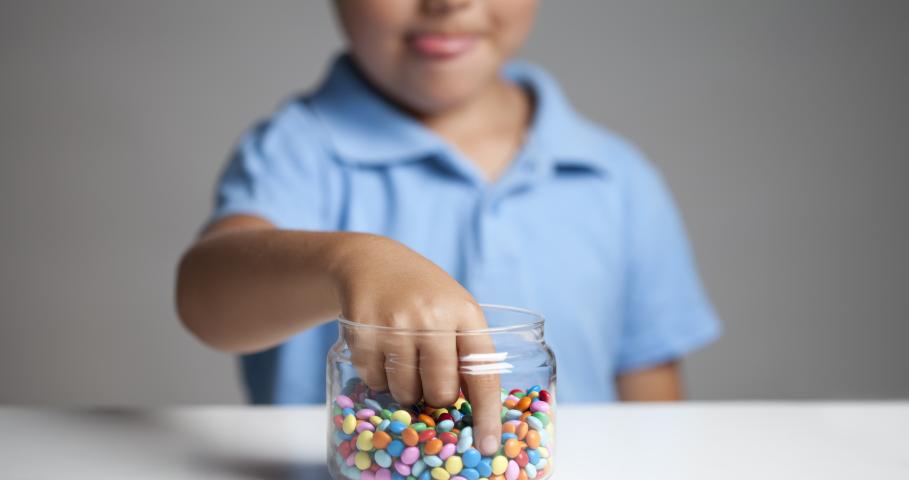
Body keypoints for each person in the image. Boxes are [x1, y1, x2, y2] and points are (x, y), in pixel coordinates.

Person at [176, 0, 721, 456]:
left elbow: (655, 409)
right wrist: (352, 262)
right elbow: (205, 294)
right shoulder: (297, 153)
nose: (447, 1)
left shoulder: (614, 176)